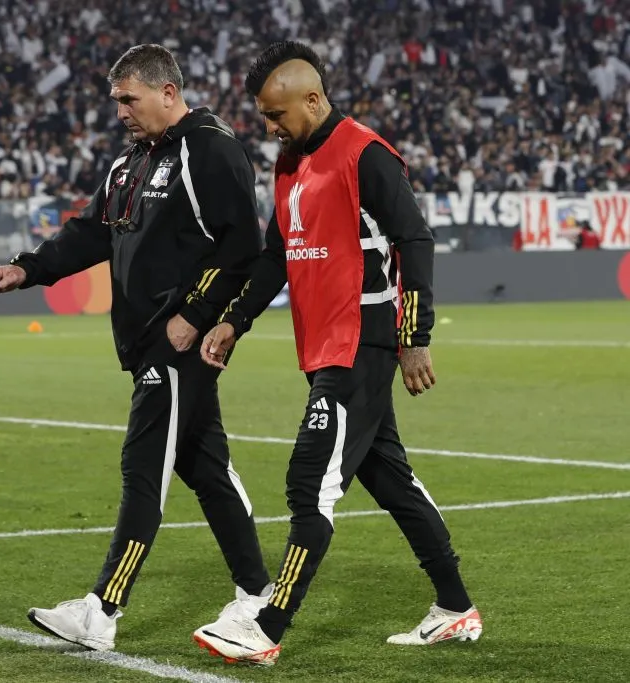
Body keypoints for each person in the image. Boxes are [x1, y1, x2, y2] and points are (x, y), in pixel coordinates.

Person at [192, 41, 481, 666]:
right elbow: (277, 257)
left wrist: (414, 336)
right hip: (325, 345)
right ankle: (455, 608)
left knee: (309, 483)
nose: (268, 127)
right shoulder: (290, 165)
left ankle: (267, 628)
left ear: (313, 98)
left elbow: (415, 239)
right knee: (391, 480)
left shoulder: (364, 154)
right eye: (264, 117)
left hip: (362, 343)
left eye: (276, 114)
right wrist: (235, 321)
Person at [0, 44, 272, 651]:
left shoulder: (211, 149)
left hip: (175, 344)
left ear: (168, 92)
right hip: (145, 342)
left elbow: (243, 244)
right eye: (116, 100)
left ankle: (101, 611)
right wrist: (28, 269)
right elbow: (91, 232)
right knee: (207, 469)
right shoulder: (130, 164)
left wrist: (193, 315)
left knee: (144, 471)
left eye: (128, 99)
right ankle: (257, 594)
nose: (120, 111)